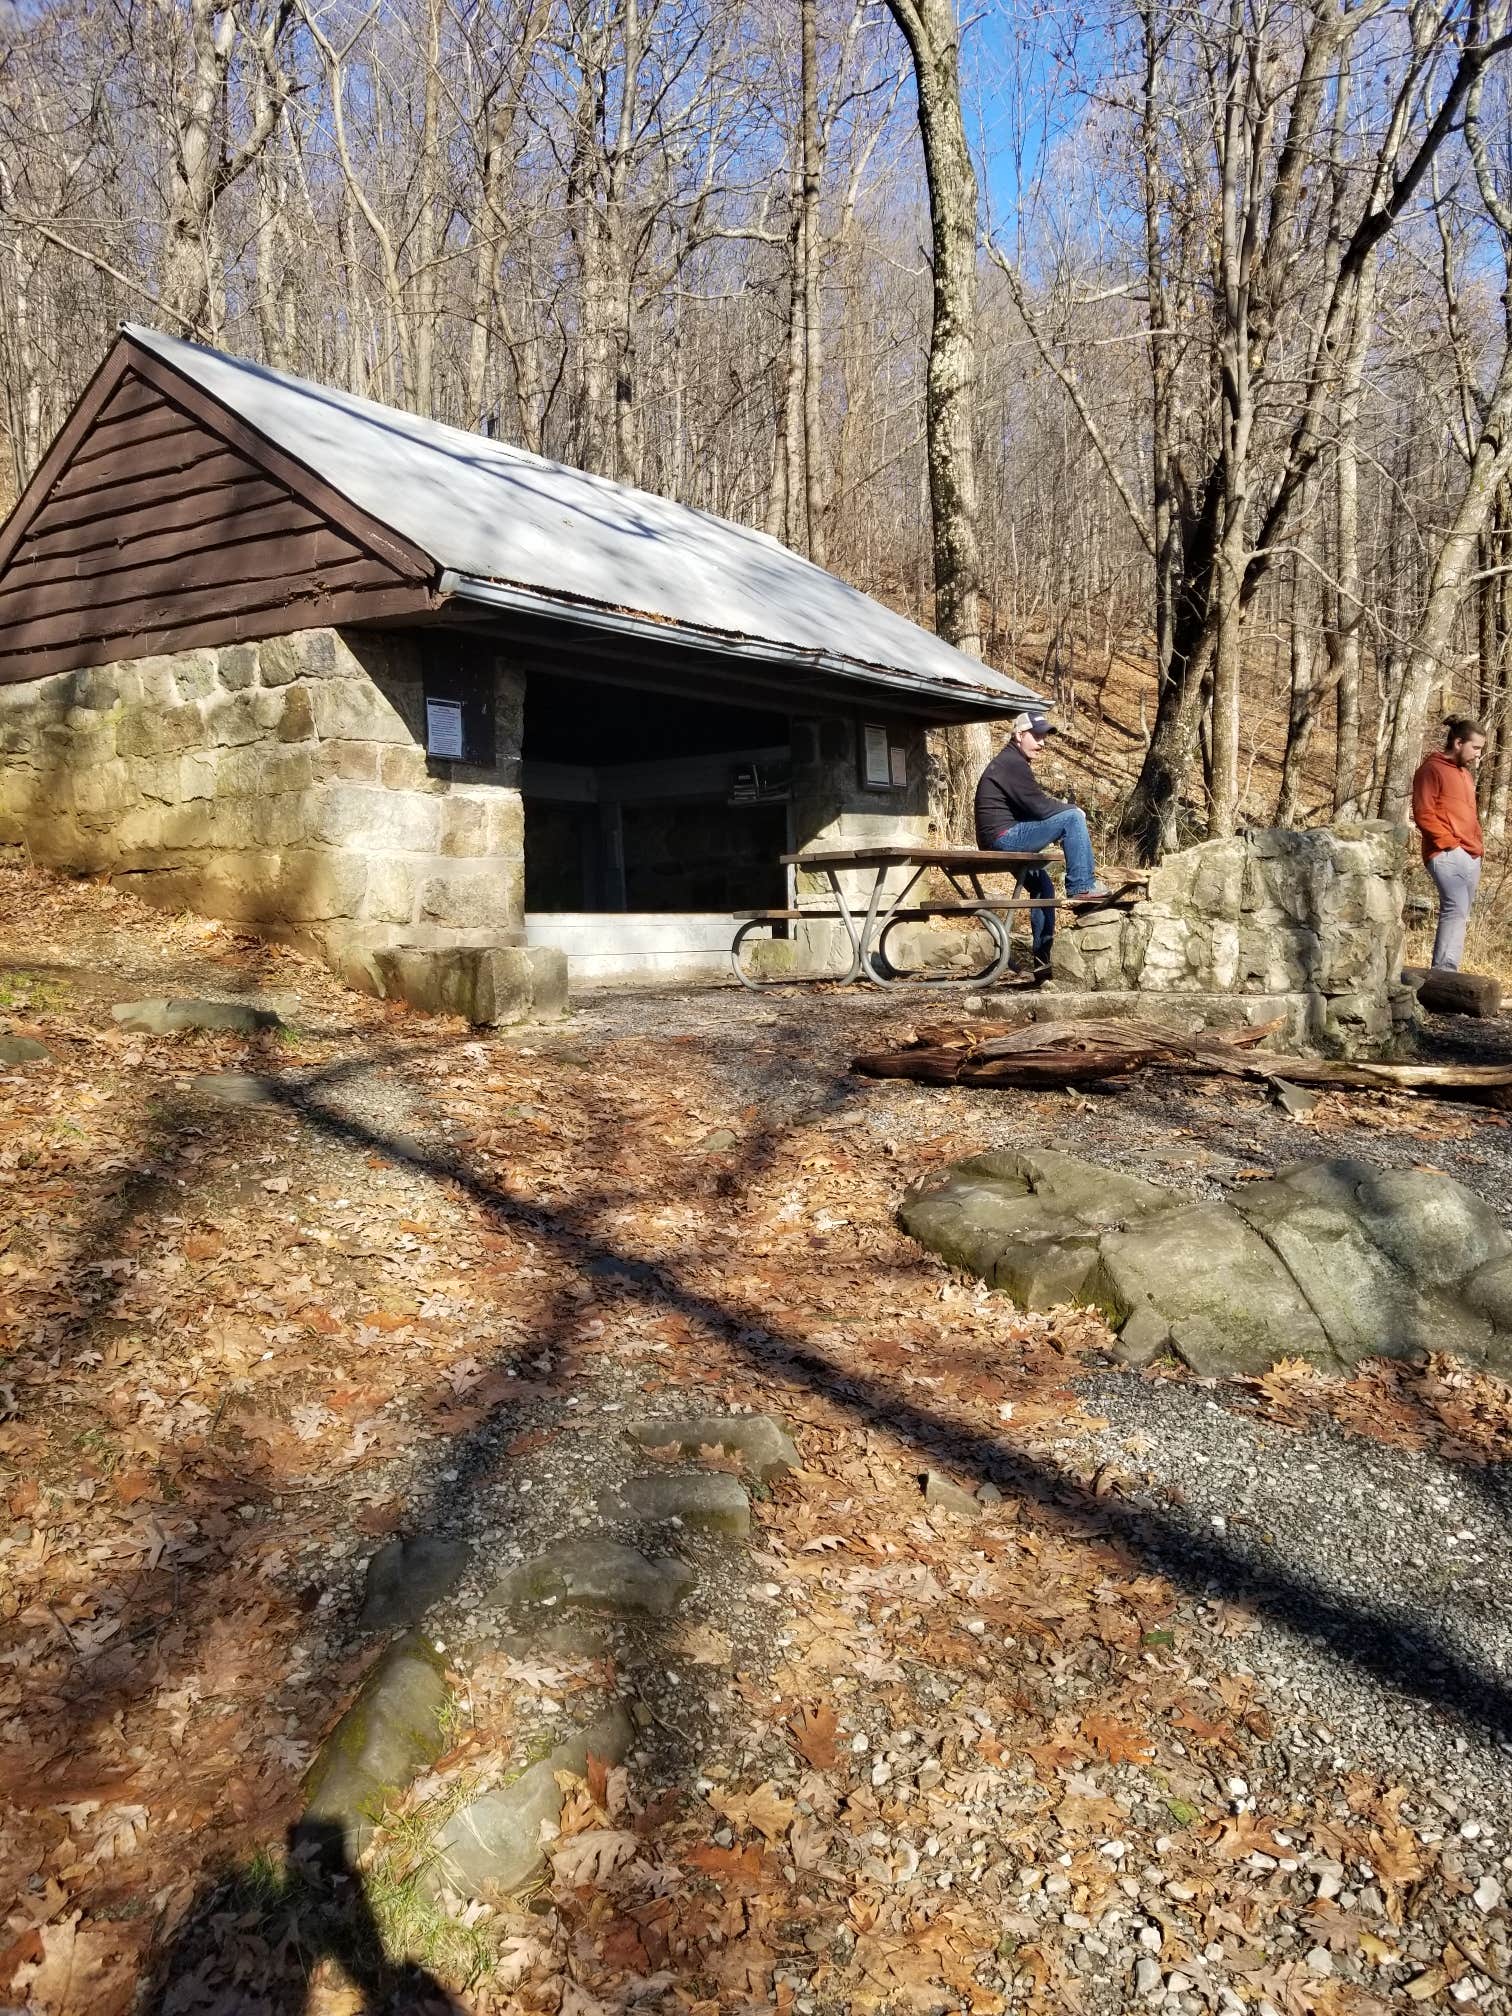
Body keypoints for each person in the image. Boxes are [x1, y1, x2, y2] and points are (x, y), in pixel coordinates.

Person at [974, 712, 1109, 972]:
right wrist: (1072, 809)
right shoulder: (1011, 763)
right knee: (1071, 818)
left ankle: (1042, 961)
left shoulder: (1011, 763)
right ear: (1018, 735)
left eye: (1043, 737)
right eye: (1036, 736)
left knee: (1044, 888)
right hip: (1005, 838)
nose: (1042, 743)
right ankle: (1082, 885)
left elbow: (1031, 808)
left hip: (1003, 837)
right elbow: (1038, 807)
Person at [1412, 715, 1488, 971]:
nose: (1478, 755)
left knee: (1461, 914)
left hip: (1471, 854)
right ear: (1458, 742)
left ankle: (1448, 973)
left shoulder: (1465, 775)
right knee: (1454, 909)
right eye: (1475, 748)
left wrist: (1477, 847)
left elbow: (1470, 815)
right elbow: (1423, 813)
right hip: (1445, 852)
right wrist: (1449, 844)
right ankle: (1444, 974)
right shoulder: (1431, 769)